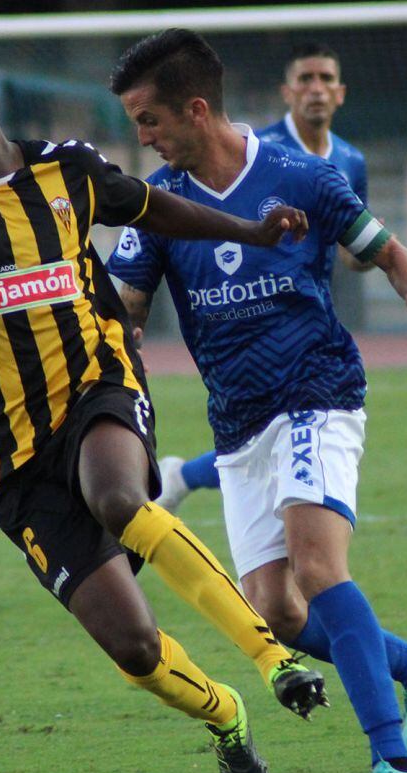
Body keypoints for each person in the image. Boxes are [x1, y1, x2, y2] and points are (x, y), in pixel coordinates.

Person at [0, 49, 328, 773]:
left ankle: (272, 658)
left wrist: (250, 232)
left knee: (116, 495)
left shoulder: (68, 170)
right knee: (137, 646)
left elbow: (151, 206)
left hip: (99, 383)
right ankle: (228, 716)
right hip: (16, 458)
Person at [107, 30, 407, 773]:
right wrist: (119, 335)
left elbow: (386, 248)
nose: (142, 137)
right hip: (238, 424)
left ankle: (396, 766)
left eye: (149, 119)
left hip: (317, 392)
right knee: (276, 608)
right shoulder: (158, 205)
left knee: (316, 566)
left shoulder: (301, 177)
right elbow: (123, 303)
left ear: (195, 109)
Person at [156, 42, 372, 513]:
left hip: (305, 312)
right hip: (238, 311)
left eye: (326, 79)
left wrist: (377, 256)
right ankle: (181, 476)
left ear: (341, 93)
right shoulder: (264, 154)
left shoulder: (350, 160)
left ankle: (181, 476)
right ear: (287, 92)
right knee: (265, 432)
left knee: (284, 430)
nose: (316, 89)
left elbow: (355, 249)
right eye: (305, 79)